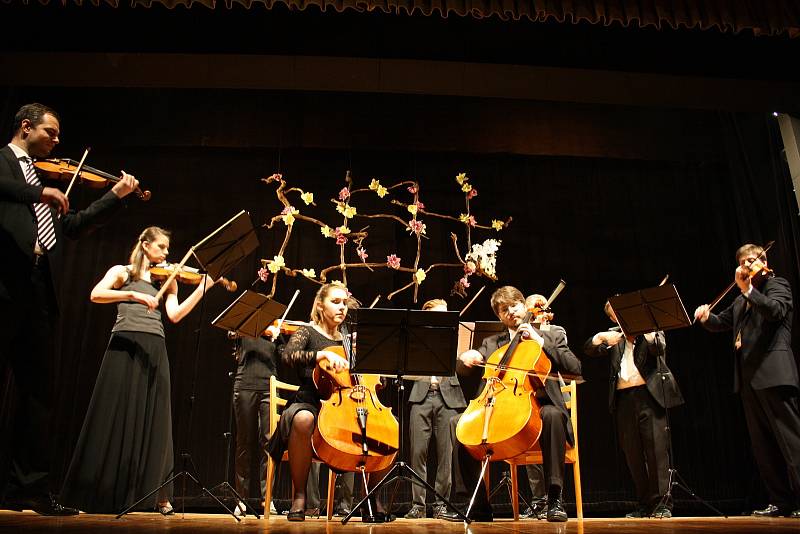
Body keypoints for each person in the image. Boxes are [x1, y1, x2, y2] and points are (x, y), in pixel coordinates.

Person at [0, 103, 139, 515]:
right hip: (4, 288)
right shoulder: (7, 166)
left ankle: (28, 489)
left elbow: (72, 227)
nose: (58, 141)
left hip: (40, 293)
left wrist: (114, 197)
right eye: (52, 132)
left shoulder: (41, 184)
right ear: (26, 127)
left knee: (39, 393)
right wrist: (37, 191)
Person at [59, 226, 224, 514]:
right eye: (161, 247)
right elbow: (96, 294)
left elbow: (174, 315)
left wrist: (202, 288)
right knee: (113, 413)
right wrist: (133, 296)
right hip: (125, 343)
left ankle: (160, 497)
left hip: (155, 346)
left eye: (167, 249)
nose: (166, 253)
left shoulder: (168, 281)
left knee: (157, 417)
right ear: (145, 245)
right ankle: (94, 490)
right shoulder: (123, 272)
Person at [441, 286, 582, 523]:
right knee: (459, 423)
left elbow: (574, 367)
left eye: (514, 306)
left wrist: (539, 340)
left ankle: (555, 499)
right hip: (498, 410)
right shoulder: (492, 343)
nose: (511, 312)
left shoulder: (550, 335)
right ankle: (477, 504)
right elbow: (464, 368)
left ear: (523, 305)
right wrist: (466, 359)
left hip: (538, 407)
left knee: (553, 416)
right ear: (499, 316)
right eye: (504, 310)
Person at [267, 282, 395, 522]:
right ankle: (300, 497)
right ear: (320, 305)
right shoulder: (308, 332)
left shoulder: (350, 338)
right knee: (303, 419)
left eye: (344, 303)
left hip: (346, 405)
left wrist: (370, 357)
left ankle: (372, 500)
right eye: (335, 302)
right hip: (310, 401)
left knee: (386, 427)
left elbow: (378, 381)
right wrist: (320, 355)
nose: (342, 308)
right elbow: (287, 356)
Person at [694, 243, 800, 518]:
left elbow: (775, 311)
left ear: (764, 261)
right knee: (763, 447)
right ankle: (782, 501)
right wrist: (707, 317)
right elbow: (723, 321)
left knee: (792, 440)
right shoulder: (742, 299)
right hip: (749, 380)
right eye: (743, 262)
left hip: (774, 374)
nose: (747, 265)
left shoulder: (776, 285)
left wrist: (748, 290)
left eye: (752, 260)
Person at [583, 300, 683, 518]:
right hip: (623, 399)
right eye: (614, 316)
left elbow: (659, 348)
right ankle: (644, 504)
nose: (620, 318)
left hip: (650, 396)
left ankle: (662, 504)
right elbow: (589, 349)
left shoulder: (651, 329)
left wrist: (647, 332)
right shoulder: (614, 336)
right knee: (633, 454)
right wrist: (600, 337)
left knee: (656, 451)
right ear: (612, 319)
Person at [404, 299, 466, 519]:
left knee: (446, 455)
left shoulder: (456, 337)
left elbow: (465, 368)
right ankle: (418, 505)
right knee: (417, 453)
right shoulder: (416, 338)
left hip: (449, 397)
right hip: (421, 397)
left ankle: (441, 504)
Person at [230, 328, 283, 517]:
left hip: (270, 386)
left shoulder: (275, 330)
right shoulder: (244, 327)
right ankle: (240, 499)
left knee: (270, 443)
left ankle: (267, 498)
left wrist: (279, 335)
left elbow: (285, 355)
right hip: (244, 384)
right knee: (243, 442)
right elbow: (230, 332)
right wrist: (256, 329)